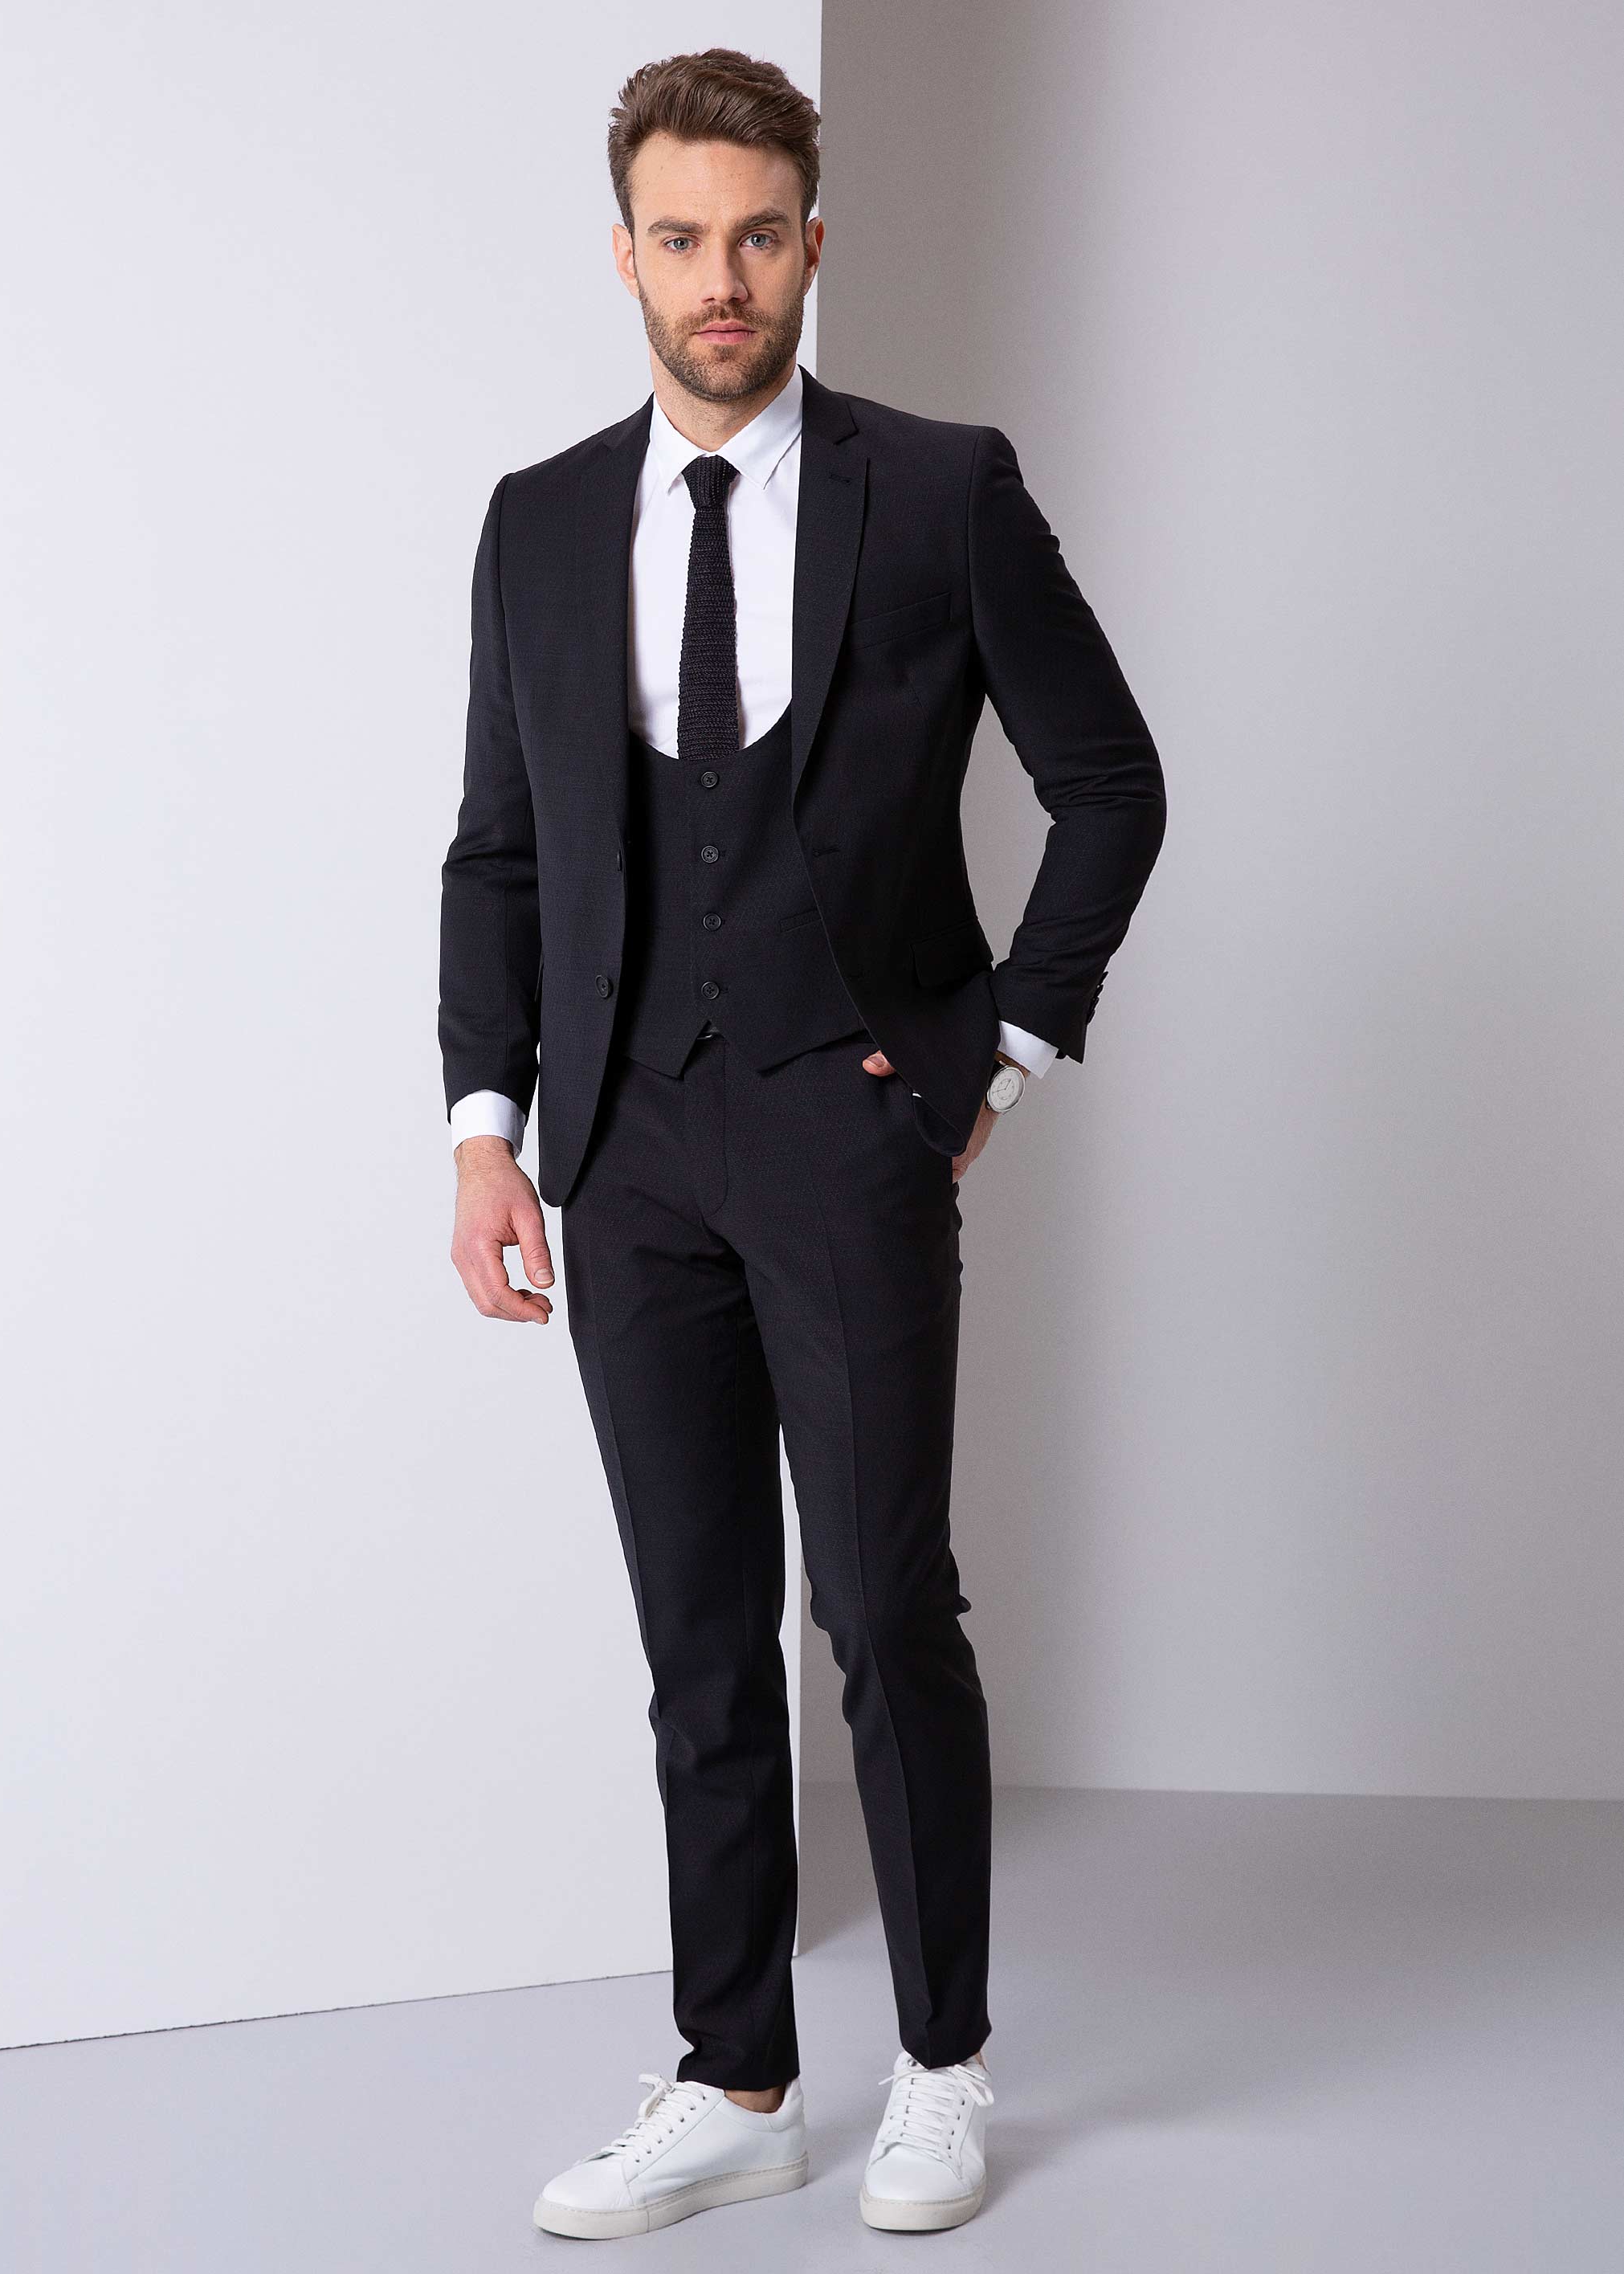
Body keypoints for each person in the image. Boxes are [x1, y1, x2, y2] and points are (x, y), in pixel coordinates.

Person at [439, 46, 1165, 2240]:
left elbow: (1108, 782)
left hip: (848, 1128)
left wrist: (992, 1060)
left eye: (759, 235)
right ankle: (734, 2075)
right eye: (681, 237)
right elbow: (499, 853)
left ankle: (937, 2064)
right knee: (695, 1637)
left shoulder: (934, 490)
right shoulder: (538, 519)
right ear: (625, 256)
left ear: (812, 243)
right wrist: (485, 1129)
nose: (722, 278)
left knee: (882, 1608)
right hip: (623, 1144)